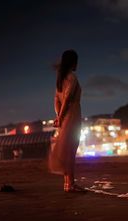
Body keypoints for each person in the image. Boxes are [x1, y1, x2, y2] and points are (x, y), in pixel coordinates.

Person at [48, 49, 86, 193]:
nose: (77, 64)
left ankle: (67, 183)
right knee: (70, 149)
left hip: (65, 117)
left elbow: (56, 100)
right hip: (73, 115)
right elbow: (68, 98)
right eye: (76, 61)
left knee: (66, 148)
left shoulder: (60, 79)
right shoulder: (72, 78)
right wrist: (61, 116)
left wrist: (59, 116)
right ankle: (70, 184)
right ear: (73, 62)